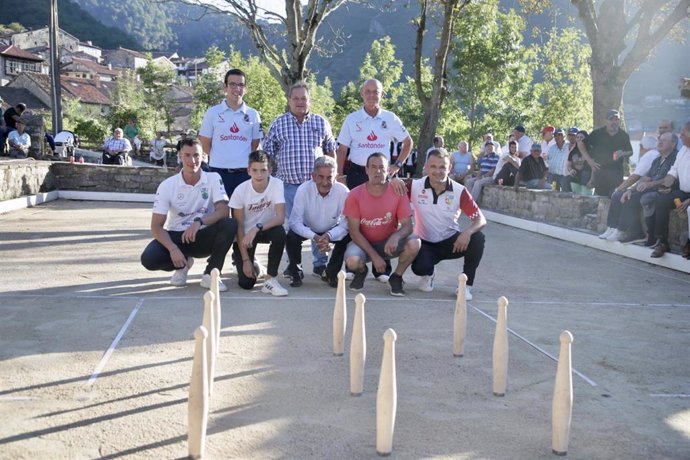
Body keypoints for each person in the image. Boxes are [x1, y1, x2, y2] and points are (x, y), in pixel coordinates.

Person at [336, 78, 412, 282]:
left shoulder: (390, 118)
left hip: (381, 174)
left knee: (382, 217)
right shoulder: (352, 119)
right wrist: (340, 175)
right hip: (356, 173)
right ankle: (352, 263)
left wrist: (396, 166)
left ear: (382, 94)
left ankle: (382, 268)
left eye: (375, 92)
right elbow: (342, 149)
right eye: (368, 91)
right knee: (353, 219)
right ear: (362, 94)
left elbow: (408, 142)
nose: (371, 95)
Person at [140, 138, 237, 291]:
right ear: (180, 156)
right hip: (177, 237)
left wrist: (199, 222)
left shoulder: (213, 178)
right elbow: (156, 226)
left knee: (230, 224)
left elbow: (224, 210)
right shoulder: (167, 185)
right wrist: (173, 249)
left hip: (203, 235)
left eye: (196, 155)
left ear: (203, 156)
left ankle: (211, 274)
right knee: (149, 259)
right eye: (187, 155)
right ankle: (183, 264)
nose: (193, 160)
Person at [263, 81, 337, 277]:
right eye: (295, 98)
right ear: (289, 101)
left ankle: (320, 264)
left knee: (318, 225)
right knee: (291, 228)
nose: (299, 102)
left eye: (303, 98)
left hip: (316, 186)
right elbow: (268, 154)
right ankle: (293, 265)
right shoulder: (279, 123)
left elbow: (331, 151)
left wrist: (333, 176)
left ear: (309, 101)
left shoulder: (320, 122)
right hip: (287, 186)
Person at [410, 149, 486, 300]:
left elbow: (480, 220)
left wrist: (467, 232)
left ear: (449, 167)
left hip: (452, 242)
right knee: (419, 268)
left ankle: (466, 286)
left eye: (442, 167)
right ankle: (429, 274)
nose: (438, 171)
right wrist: (394, 181)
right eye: (433, 167)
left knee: (478, 238)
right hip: (425, 243)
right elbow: (389, 189)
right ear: (426, 167)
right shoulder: (413, 186)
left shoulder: (459, 191)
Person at [343, 152, 421, 296]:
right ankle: (362, 272)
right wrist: (374, 257)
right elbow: (354, 232)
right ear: (366, 170)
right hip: (363, 243)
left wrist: (396, 236)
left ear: (388, 170)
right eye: (373, 167)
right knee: (352, 261)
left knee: (415, 243)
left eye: (381, 167)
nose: (377, 171)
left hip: (388, 243)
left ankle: (396, 277)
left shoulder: (398, 191)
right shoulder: (354, 195)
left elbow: (408, 225)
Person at [229, 150, 289, 296]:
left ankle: (270, 279)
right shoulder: (240, 190)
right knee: (246, 283)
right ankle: (253, 263)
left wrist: (257, 228)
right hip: (245, 236)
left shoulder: (277, 184)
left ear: (270, 170)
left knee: (280, 232)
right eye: (255, 170)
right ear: (248, 170)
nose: (259, 175)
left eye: (263, 170)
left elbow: (280, 217)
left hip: (264, 228)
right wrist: (245, 260)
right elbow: (239, 226)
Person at [285, 156, 350, 288]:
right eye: (320, 177)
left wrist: (329, 236)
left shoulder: (343, 192)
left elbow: (345, 224)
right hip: (308, 228)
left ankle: (331, 272)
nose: (325, 182)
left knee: (348, 236)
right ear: (313, 176)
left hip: (331, 229)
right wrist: (314, 236)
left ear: (336, 177)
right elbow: (295, 222)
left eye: (329, 177)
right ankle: (295, 271)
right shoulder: (303, 190)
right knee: (291, 236)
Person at [601, 133, 677, 244]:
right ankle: (615, 228)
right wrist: (630, 190)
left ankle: (623, 230)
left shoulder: (675, 157)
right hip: (650, 189)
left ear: (673, 144)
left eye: (664, 140)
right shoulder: (657, 160)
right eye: (659, 139)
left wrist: (650, 184)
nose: (660, 142)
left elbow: (669, 179)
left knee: (633, 198)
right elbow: (646, 178)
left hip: (663, 191)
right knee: (626, 195)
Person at [199, 68, 263, 199]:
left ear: (245, 88)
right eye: (232, 84)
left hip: (244, 173)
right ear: (225, 87)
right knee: (219, 214)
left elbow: (255, 145)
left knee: (242, 216)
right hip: (218, 172)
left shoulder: (253, 114)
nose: (237, 88)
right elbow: (205, 142)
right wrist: (221, 157)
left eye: (241, 85)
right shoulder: (212, 113)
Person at [650, 121, 690, 258]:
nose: (681, 135)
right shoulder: (684, 150)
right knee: (662, 200)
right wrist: (665, 186)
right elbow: (673, 172)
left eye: (684, 132)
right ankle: (662, 242)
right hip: (683, 192)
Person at [584, 109, 633, 196]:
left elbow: (630, 151)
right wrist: (589, 161)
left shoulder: (624, 135)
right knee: (600, 198)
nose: (614, 122)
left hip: (616, 172)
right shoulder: (597, 134)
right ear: (606, 121)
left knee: (615, 197)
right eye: (611, 119)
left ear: (619, 121)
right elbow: (581, 144)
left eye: (616, 119)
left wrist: (623, 153)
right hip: (600, 172)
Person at [566, 128, 593, 195]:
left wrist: (592, 180)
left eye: (581, 137)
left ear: (586, 138)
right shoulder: (573, 151)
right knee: (566, 181)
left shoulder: (591, 150)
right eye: (577, 137)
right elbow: (568, 165)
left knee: (585, 197)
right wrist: (571, 170)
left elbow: (594, 168)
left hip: (587, 178)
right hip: (575, 177)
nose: (579, 139)